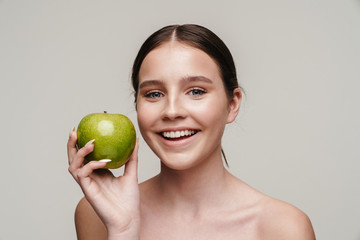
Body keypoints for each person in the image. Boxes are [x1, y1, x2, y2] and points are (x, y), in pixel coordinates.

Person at [67, 24, 316, 240]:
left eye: (196, 91)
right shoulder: (96, 214)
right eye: (154, 94)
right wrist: (123, 231)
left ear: (232, 105)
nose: (172, 111)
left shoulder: (283, 228)